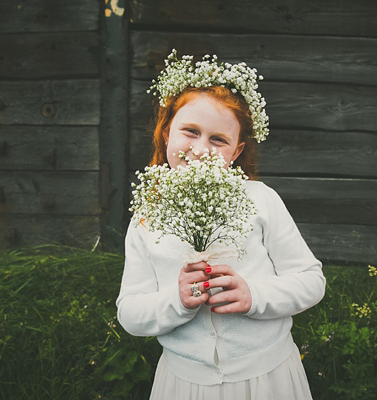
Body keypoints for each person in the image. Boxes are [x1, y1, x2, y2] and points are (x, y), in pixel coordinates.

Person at [116, 50, 326, 400]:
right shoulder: (146, 217)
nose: (200, 149)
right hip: (185, 384)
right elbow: (130, 313)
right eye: (190, 132)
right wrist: (177, 300)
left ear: (236, 151)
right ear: (167, 133)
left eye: (218, 140)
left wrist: (254, 295)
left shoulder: (260, 199)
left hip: (266, 377)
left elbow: (311, 281)